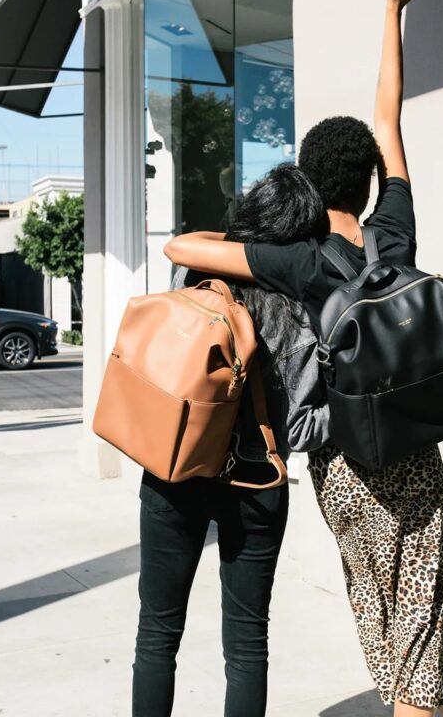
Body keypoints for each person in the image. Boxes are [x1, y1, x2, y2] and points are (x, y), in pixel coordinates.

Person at [164, 0, 443, 717]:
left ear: (307, 180)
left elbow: (180, 251)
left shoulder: (298, 261)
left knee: (381, 623)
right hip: (415, 455)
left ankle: (431, 698)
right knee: (420, 632)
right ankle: (435, 697)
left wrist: (250, 236)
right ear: (366, 183)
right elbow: (388, 117)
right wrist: (392, 9)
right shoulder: (392, 234)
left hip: (344, 467)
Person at [133, 164, 330, 717]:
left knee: (156, 635)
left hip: (176, 469)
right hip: (256, 485)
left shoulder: (196, 278)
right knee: (247, 645)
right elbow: (297, 430)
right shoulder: (303, 309)